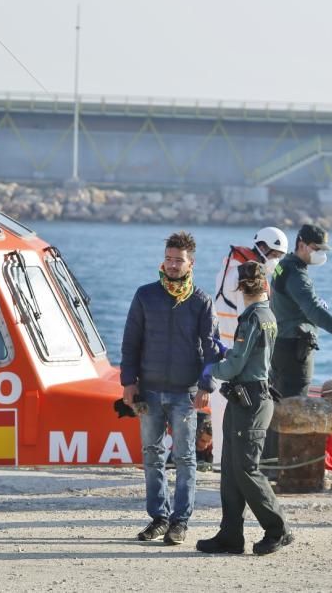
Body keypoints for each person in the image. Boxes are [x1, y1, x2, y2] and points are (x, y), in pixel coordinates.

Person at [121, 230, 218, 545]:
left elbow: (212, 348)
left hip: (184, 393)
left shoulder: (201, 301)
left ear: (191, 264)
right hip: (149, 391)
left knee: (186, 457)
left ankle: (180, 521)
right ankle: (159, 518)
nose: (173, 265)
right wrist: (128, 384)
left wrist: (206, 384)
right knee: (151, 455)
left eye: (179, 261)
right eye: (169, 259)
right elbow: (130, 344)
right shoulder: (145, 295)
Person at [196, 261, 293, 556]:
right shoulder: (268, 315)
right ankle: (230, 535)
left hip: (249, 399)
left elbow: (236, 365)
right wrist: (230, 356)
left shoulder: (252, 318)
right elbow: (246, 357)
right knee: (231, 468)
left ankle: (278, 529)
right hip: (248, 398)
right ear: (265, 285)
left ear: (239, 288)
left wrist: (211, 367)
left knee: (246, 468)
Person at [265, 223, 332, 470]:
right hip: (295, 348)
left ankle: (270, 462)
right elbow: (314, 311)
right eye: (316, 248)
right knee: (295, 406)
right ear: (302, 245)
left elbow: (295, 300)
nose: (321, 254)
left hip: (279, 345)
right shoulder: (297, 274)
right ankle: (286, 465)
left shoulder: (283, 266)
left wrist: (310, 302)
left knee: (278, 404)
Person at [212, 226, 288, 345]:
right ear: (262, 248)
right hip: (241, 350)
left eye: (279, 257)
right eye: (274, 255)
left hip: (223, 345)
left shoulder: (228, 269)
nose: (276, 261)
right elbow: (251, 318)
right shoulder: (249, 276)